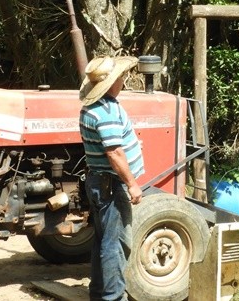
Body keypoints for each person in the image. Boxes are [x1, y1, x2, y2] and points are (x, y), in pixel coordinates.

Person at [79, 55, 144, 301]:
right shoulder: (106, 112)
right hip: (111, 185)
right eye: (120, 78)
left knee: (102, 240)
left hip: (98, 181)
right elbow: (114, 152)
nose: (124, 82)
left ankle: (99, 294)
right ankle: (113, 297)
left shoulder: (90, 108)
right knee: (115, 245)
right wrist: (132, 184)